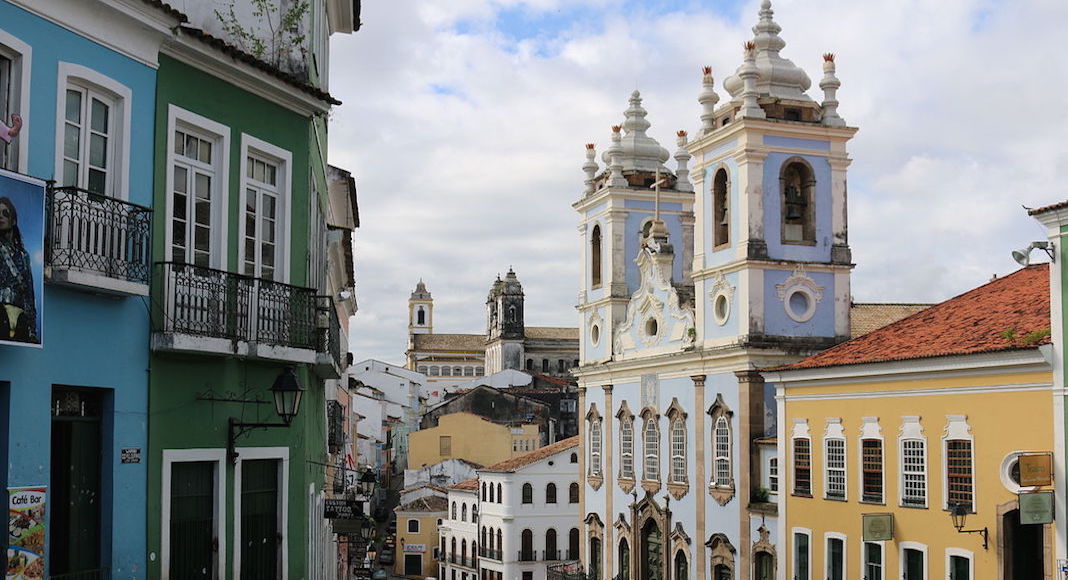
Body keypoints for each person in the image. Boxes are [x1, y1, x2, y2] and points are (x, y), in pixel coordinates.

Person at [0, 196, 37, 342]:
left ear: (13, 220)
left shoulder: (23, 256)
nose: (0, 216)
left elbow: (29, 294)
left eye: (5, 213)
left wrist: (32, 330)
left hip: (19, 317)